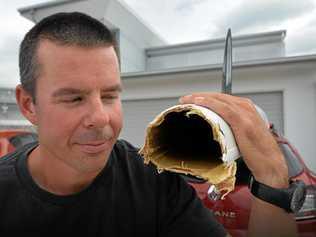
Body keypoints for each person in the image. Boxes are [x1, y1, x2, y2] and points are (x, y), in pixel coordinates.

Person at [0, 12, 297, 236]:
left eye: (109, 95)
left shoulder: (154, 184)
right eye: (74, 99)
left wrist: (272, 178)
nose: (101, 117)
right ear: (28, 104)